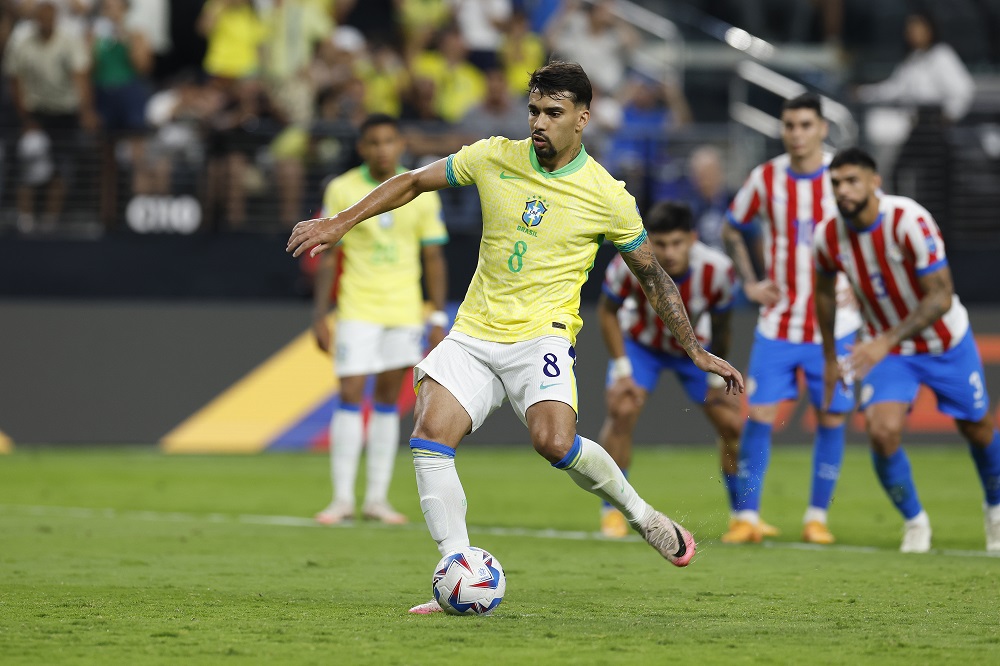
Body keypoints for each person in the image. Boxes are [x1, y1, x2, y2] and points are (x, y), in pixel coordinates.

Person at [288, 61, 745, 614]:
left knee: (554, 443)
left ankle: (643, 515)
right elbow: (411, 182)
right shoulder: (492, 156)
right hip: (475, 331)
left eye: (553, 113)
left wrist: (694, 348)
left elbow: (653, 276)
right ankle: (457, 567)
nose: (539, 122)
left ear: (583, 117)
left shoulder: (608, 195)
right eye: (533, 110)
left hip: (542, 338)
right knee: (431, 435)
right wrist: (339, 222)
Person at [814, 147, 1000, 553]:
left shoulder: (909, 220)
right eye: (836, 184)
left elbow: (941, 296)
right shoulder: (828, 235)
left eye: (852, 181)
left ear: (874, 182)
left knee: (978, 429)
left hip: (943, 342)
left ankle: (996, 511)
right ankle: (916, 522)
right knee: (881, 432)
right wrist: (829, 357)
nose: (843, 191)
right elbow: (824, 295)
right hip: (890, 353)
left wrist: (885, 339)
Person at [721, 93, 862, 545]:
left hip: (835, 325)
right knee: (759, 413)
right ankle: (747, 518)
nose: (797, 134)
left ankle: (817, 517)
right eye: (789, 126)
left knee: (832, 418)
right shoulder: (767, 178)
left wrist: (858, 284)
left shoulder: (845, 176)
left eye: (805, 125)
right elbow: (731, 226)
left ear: (823, 128)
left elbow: (871, 231)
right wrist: (750, 281)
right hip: (778, 323)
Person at [312, 113, 450, 526]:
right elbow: (329, 255)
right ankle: (340, 499)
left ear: (400, 144)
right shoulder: (341, 188)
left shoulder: (422, 187)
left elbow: (433, 255)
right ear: (362, 148)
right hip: (357, 307)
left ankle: (376, 499)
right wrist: (321, 313)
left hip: (405, 310)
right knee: (351, 394)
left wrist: (438, 314)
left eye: (389, 141)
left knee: (389, 401)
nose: (382, 149)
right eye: (374, 142)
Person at [595, 201, 745, 538]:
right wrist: (621, 368)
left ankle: (741, 517)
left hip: (694, 351)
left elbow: (723, 327)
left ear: (692, 238)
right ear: (650, 241)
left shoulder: (718, 270)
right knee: (621, 410)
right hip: (642, 347)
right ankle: (612, 512)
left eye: (677, 243)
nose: (670, 252)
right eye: (660, 244)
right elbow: (607, 313)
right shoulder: (627, 264)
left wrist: (714, 376)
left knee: (732, 423)